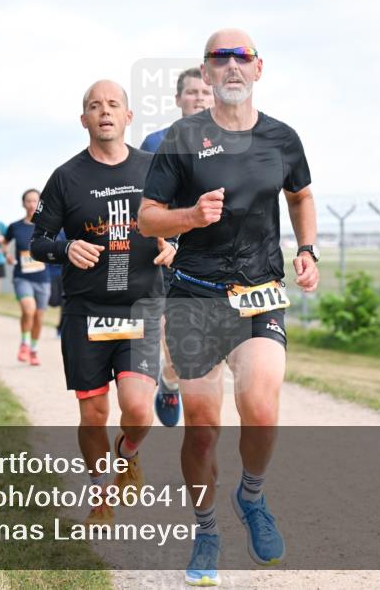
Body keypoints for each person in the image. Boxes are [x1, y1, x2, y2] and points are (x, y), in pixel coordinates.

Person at [139, 29, 319, 586]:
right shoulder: (182, 137)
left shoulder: (282, 138)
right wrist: (190, 217)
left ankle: (252, 497)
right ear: (208, 72)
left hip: (258, 294)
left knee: (262, 407)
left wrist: (307, 249)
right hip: (195, 295)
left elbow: (301, 194)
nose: (233, 66)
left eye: (243, 57)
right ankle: (207, 528)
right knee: (201, 430)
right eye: (222, 58)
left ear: (259, 69)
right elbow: (148, 217)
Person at [31, 79, 175, 526]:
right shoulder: (66, 177)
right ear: (84, 120)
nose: (105, 111)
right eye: (95, 106)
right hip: (86, 311)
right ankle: (99, 491)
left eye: (114, 104)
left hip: (141, 306)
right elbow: (38, 241)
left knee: (136, 408)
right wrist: (64, 249)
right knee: (93, 413)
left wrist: (176, 244)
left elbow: (189, 224)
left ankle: (127, 452)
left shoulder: (156, 168)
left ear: (129, 117)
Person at [141, 66, 214, 428]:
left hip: (218, 259)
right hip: (170, 254)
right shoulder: (156, 143)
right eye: (192, 92)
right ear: (177, 99)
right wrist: (162, 240)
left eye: (205, 92)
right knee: (176, 337)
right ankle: (171, 382)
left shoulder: (234, 142)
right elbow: (144, 206)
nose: (199, 98)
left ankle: (175, 384)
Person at [4, 189, 51, 365]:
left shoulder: (48, 226)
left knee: (39, 317)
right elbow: (4, 243)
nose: (32, 204)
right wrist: (7, 255)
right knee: (28, 310)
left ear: (39, 203)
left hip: (42, 278)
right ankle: (24, 344)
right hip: (22, 276)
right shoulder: (15, 226)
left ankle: (33, 349)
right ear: (23, 203)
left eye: (35, 201)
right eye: (28, 201)